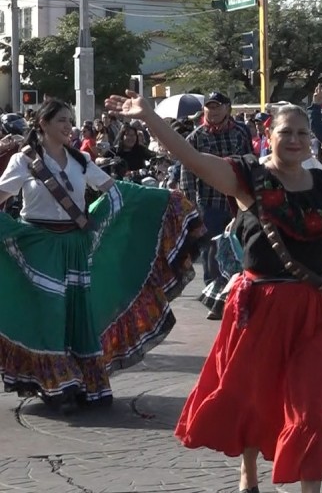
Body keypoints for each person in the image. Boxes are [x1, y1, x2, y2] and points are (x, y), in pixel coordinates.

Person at [106, 91, 322, 493]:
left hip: (315, 308)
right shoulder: (248, 177)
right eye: (286, 132)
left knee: (309, 404)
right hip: (261, 306)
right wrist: (149, 117)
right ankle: (248, 473)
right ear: (268, 134)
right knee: (254, 396)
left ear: (311, 138)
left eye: (302, 133)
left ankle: (311, 488)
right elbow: (193, 159)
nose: (294, 140)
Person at [0, 99, 203, 413]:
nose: (69, 127)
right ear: (43, 123)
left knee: (79, 312)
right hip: (39, 248)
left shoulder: (80, 160)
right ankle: (57, 384)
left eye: (70, 120)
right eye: (61, 121)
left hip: (76, 246)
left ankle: (83, 381)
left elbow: (114, 189)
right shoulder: (23, 161)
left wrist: (163, 199)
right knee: (52, 313)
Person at [181, 92, 254, 319]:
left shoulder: (241, 132)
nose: (213, 111)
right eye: (209, 107)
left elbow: (250, 162)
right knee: (211, 249)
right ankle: (214, 296)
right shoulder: (195, 137)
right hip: (209, 201)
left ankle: (237, 294)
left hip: (238, 199)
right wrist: (190, 202)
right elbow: (187, 170)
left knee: (241, 246)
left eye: (217, 107)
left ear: (228, 109)